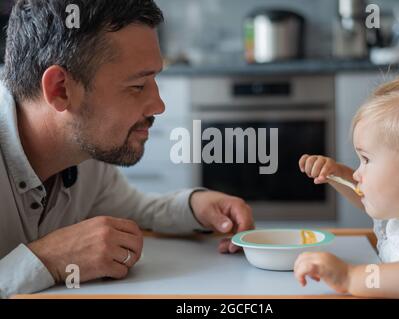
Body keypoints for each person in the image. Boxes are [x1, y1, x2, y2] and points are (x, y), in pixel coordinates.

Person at [0, 0, 254, 298]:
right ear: (60, 89)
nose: (159, 105)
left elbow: (136, 209)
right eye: (137, 86)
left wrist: (195, 206)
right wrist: (48, 260)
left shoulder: (83, 151)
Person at [295, 62, 399, 298]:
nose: (357, 174)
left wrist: (352, 277)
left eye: (366, 160)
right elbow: (366, 193)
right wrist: (337, 174)